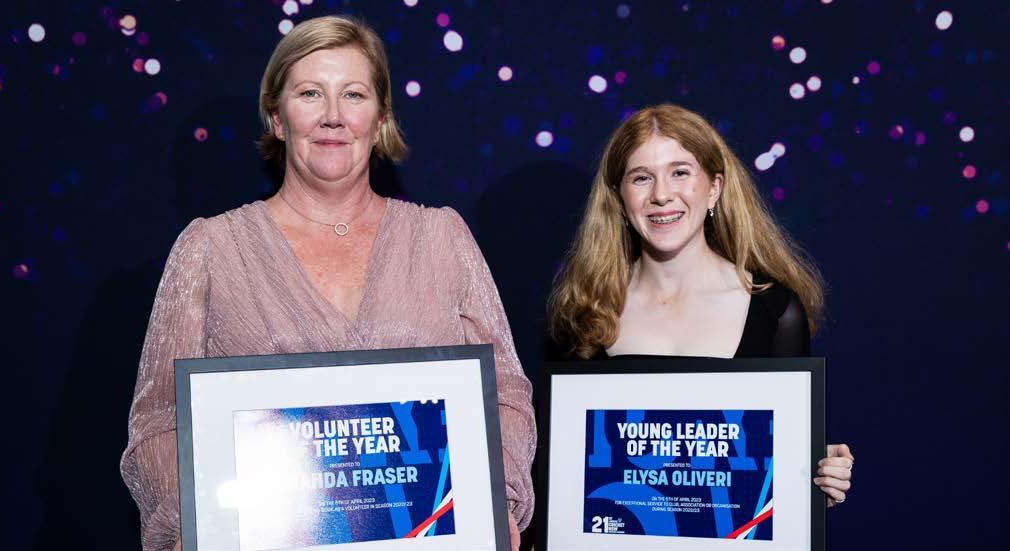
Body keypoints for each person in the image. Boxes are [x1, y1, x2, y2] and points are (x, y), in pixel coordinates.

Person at [120, 16, 534, 551]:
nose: (333, 116)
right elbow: (158, 422)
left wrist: (496, 501)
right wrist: (190, 528)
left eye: (353, 94)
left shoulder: (441, 238)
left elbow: (505, 394)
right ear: (277, 117)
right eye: (310, 93)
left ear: (380, 120)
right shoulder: (211, 248)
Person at [547, 103, 853, 506]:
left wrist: (812, 480)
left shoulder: (775, 312)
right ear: (619, 198)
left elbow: (775, 472)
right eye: (641, 177)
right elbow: (565, 472)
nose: (661, 195)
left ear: (714, 188)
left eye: (680, 172)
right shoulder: (582, 315)